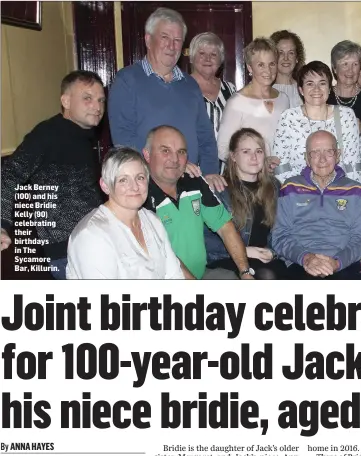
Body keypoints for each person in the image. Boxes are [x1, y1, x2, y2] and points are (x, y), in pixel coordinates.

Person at [0, 70, 106, 278]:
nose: (97, 106)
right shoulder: (47, 133)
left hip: (91, 240)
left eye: (101, 100)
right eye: (88, 98)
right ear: (65, 101)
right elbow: (9, 174)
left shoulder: (84, 136)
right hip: (65, 250)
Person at [108, 8, 223, 189]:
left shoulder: (190, 85)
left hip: (190, 186)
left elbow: (206, 138)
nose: (171, 46)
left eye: (177, 40)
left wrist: (209, 175)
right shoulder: (127, 80)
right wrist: (172, 167)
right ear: (148, 40)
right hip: (147, 187)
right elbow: (124, 141)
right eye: (165, 37)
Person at [143, 125, 253, 280]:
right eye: (165, 151)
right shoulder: (139, 194)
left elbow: (225, 227)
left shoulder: (194, 182)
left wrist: (245, 272)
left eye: (181, 152)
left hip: (201, 275)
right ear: (147, 155)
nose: (175, 159)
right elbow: (163, 255)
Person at [66, 147, 183, 279]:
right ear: (105, 185)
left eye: (140, 178)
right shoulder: (92, 236)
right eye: (123, 180)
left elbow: (175, 276)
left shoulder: (152, 220)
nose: (134, 187)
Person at [272, 130, 361, 279]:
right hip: (299, 263)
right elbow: (279, 236)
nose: (322, 159)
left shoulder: (355, 190)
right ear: (306, 158)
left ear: (337, 155)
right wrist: (306, 258)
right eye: (315, 153)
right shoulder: (290, 187)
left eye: (329, 152)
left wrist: (337, 262)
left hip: (342, 264)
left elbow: (360, 239)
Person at [205, 128, 287, 280]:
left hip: (265, 258)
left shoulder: (274, 187)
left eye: (259, 151)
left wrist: (272, 252)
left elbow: (283, 230)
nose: (254, 157)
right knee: (267, 275)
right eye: (246, 152)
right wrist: (244, 251)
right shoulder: (219, 189)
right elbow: (205, 240)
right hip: (227, 259)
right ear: (233, 156)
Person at [273, 61, 361, 185]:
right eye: (310, 84)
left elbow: (353, 166)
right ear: (301, 90)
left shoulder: (346, 116)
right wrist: (303, 191)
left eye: (322, 83)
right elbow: (281, 167)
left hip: (339, 194)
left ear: (329, 88)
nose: (316, 89)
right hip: (299, 194)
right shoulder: (288, 118)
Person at [217, 38, 289, 165]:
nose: (268, 70)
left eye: (272, 64)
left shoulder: (283, 99)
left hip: (280, 177)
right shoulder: (237, 102)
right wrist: (256, 164)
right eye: (261, 65)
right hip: (249, 179)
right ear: (250, 68)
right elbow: (223, 150)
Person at [189, 32, 236, 141]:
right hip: (194, 157)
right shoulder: (182, 88)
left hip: (226, 156)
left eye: (214, 54)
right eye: (202, 53)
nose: (208, 59)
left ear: (221, 60)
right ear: (192, 58)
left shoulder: (230, 89)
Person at [270, 29, 305, 109]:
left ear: (297, 58)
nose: (286, 58)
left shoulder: (305, 88)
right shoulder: (264, 90)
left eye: (291, 53)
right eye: (280, 53)